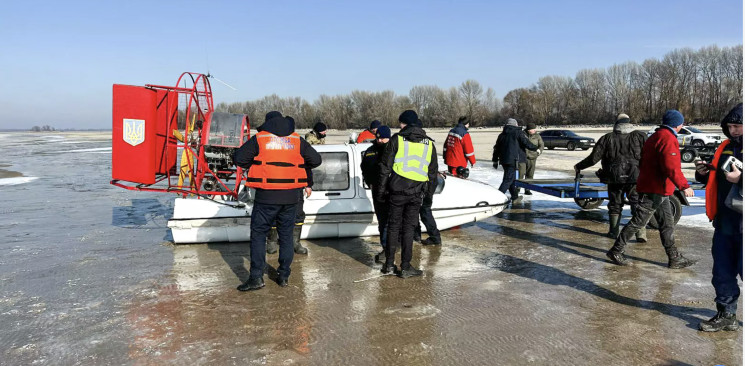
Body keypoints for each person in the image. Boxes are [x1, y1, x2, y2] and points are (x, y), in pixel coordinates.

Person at [234, 113, 322, 291]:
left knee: (259, 235)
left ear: (267, 123)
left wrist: (259, 161)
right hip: (291, 198)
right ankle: (283, 276)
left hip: (266, 197)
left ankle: (256, 277)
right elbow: (316, 160)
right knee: (287, 236)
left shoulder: (260, 138)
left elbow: (239, 159)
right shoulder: (296, 140)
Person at [606, 110, 696, 269]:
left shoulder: (654, 136)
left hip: (657, 188)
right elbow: (671, 167)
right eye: (682, 123)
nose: (682, 125)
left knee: (667, 223)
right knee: (639, 220)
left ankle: (674, 257)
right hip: (656, 188)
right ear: (677, 124)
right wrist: (684, 186)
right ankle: (616, 250)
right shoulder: (668, 139)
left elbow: (643, 163)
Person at [696, 103, 743, 332]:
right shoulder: (724, 146)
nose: (733, 130)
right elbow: (717, 179)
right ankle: (727, 314)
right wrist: (703, 173)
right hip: (725, 220)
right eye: (730, 126)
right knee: (722, 270)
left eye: (738, 126)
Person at [378, 110, 438, 278]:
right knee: (408, 230)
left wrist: (381, 192)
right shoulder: (429, 144)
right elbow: (432, 174)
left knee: (393, 227)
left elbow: (385, 168)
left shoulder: (397, 140)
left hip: (396, 192)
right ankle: (405, 267)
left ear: (404, 124)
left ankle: (389, 265)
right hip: (416, 193)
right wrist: (429, 196)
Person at [574, 113, 648, 241]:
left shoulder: (607, 138)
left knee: (615, 205)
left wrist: (579, 166)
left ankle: (613, 232)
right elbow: (650, 156)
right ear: (629, 123)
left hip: (614, 178)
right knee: (637, 204)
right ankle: (640, 234)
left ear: (616, 124)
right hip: (635, 177)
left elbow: (593, 158)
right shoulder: (640, 136)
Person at [361, 125, 392, 263]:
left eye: (383, 138)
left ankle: (393, 246)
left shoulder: (393, 150)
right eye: (378, 138)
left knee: (394, 221)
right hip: (377, 190)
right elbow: (365, 169)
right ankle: (386, 248)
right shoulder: (370, 151)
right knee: (383, 221)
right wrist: (370, 184)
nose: (380, 141)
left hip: (392, 190)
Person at [492, 118, 538, 202]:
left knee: (511, 179)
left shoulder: (502, 135)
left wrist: (495, 160)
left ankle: (515, 197)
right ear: (515, 125)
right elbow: (526, 142)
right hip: (513, 160)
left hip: (504, 160)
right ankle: (496, 200)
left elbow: (496, 148)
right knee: (508, 180)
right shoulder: (518, 133)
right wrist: (535, 147)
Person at [518, 122, 544, 195]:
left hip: (532, 158)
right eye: (533, 129)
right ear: (529, 130)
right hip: (522, 157)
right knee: (521, 174)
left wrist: (538, 152)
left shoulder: (537, 136)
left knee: (530, 174)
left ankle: (527, 189)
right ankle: (517, 189)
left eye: (534, 129)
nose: (534, 130)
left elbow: (541, 145)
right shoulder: (523, 135)